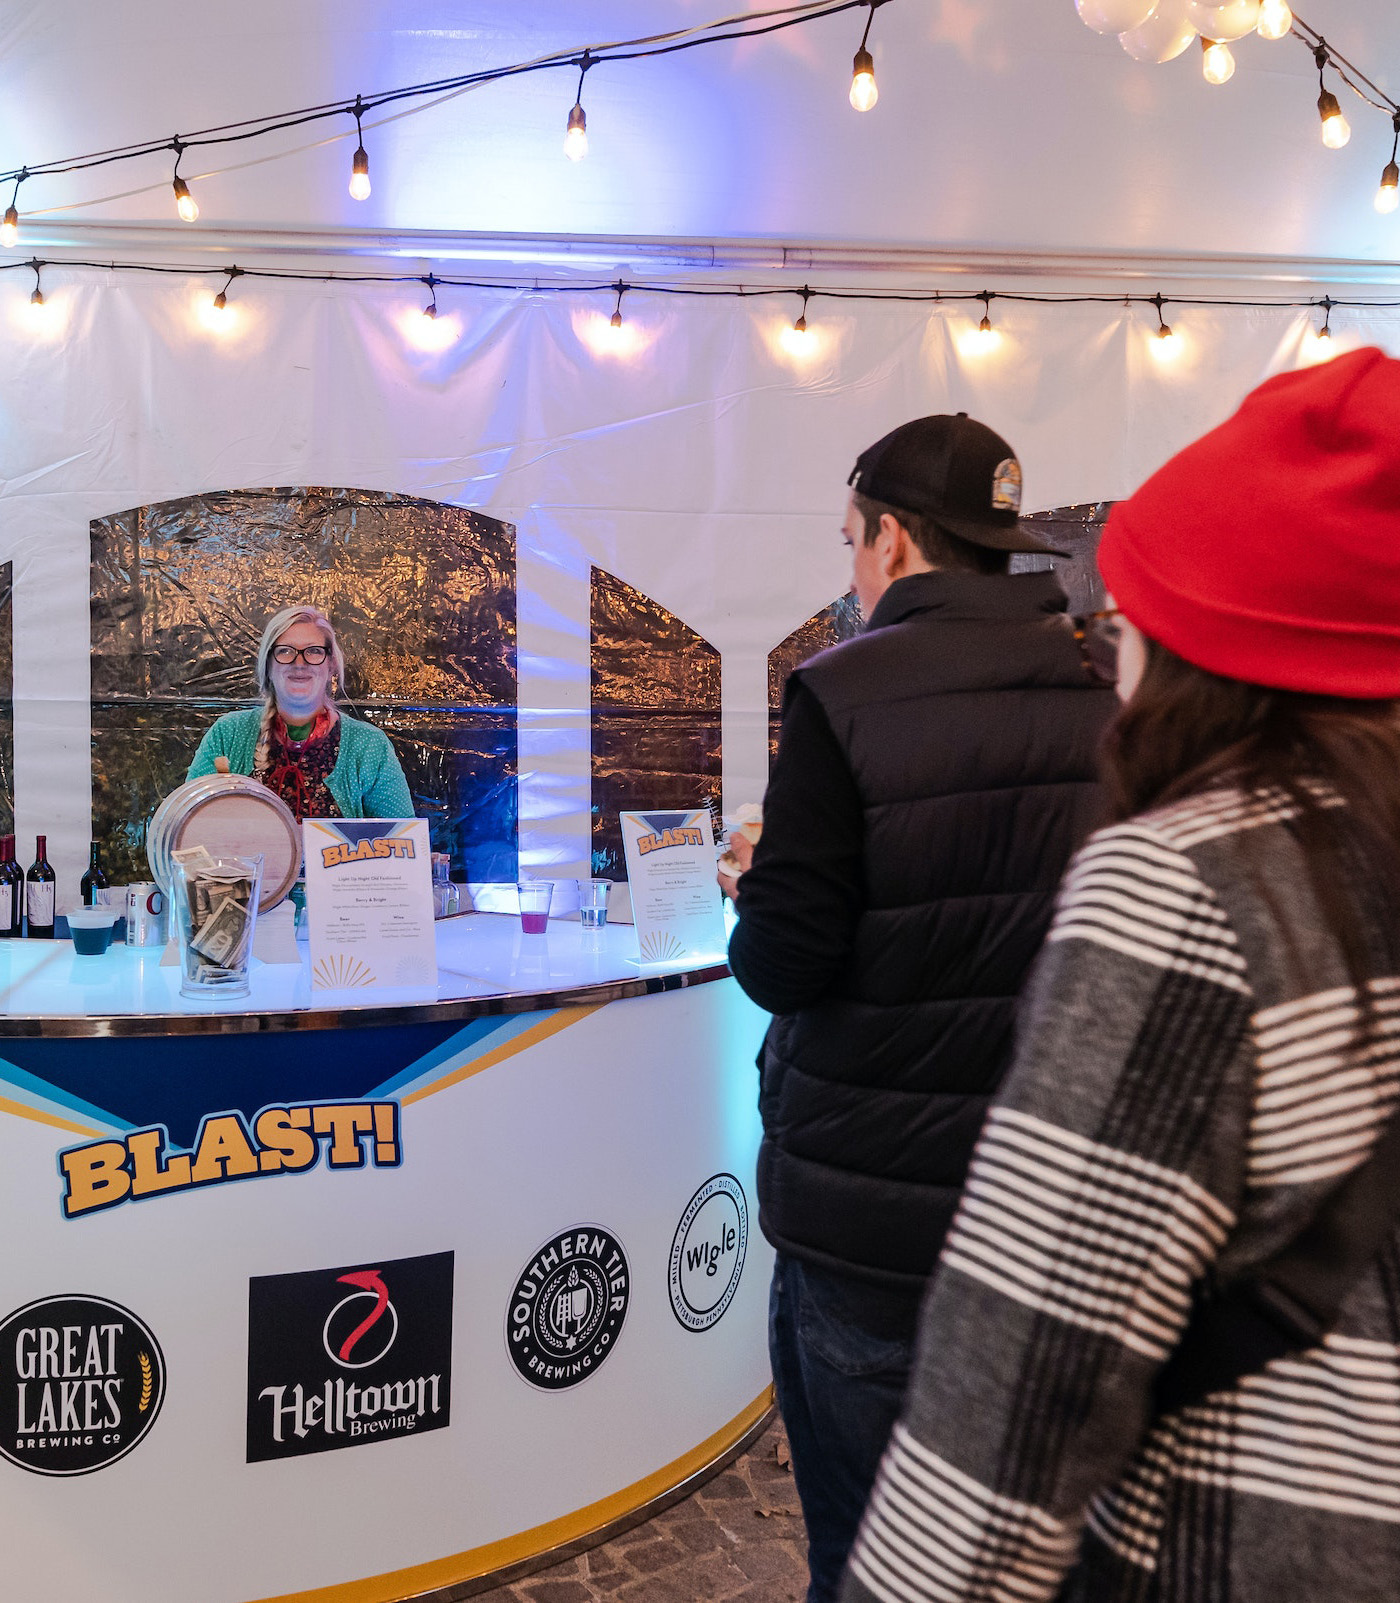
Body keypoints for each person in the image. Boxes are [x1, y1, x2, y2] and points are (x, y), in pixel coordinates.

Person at [842, 346, 1400, 1603]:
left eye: (1125, 613)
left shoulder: (1184, 883)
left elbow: (1024, 1376)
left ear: (1200, 642)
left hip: (1255, 1542)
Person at [721, 413, 1117, 1602]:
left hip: (874, 1226)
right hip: (1048, 1202)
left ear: (892, 542)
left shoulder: (841, 694)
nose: (850, 567)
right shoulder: (1109, 683)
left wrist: (757, 883)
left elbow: (782, 967)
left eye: (850, 540)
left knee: (870, 1551)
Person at [188, 604, 413, 820]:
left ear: (331, 665)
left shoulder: (368, 745)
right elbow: (188, 822)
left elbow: (401, 841)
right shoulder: (228, 734)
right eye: (285, 651)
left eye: (314, 651)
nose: (299, 663)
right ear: (267, 664)